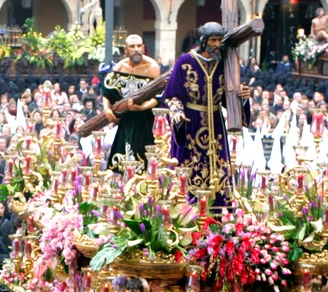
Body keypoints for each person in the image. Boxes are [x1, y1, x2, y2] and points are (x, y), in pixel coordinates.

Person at [162, 22, 251, 193]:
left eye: (219, 40)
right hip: (191, 123)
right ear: (203, 41)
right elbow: (172, 94)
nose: (217, 45)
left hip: (216, 125)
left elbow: (230, 97)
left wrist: (243, 98)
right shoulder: (185, 61)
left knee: (218, 170)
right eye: (213, 40)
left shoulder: (226, 63)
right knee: (189, 168)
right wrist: (177, 113)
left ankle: (218, 211)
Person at [101, 35, 161, 169]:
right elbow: (107, 91)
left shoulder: (152, 67)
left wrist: (142, 107)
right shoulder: (120, 67)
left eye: (139, 46)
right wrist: (106, 108)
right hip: (126, 119)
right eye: (132, 47)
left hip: (146, 120)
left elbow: (158, 96)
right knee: (121, 159)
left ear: (143, 48)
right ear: (126, 50)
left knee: (146, 162)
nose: (136, 49)